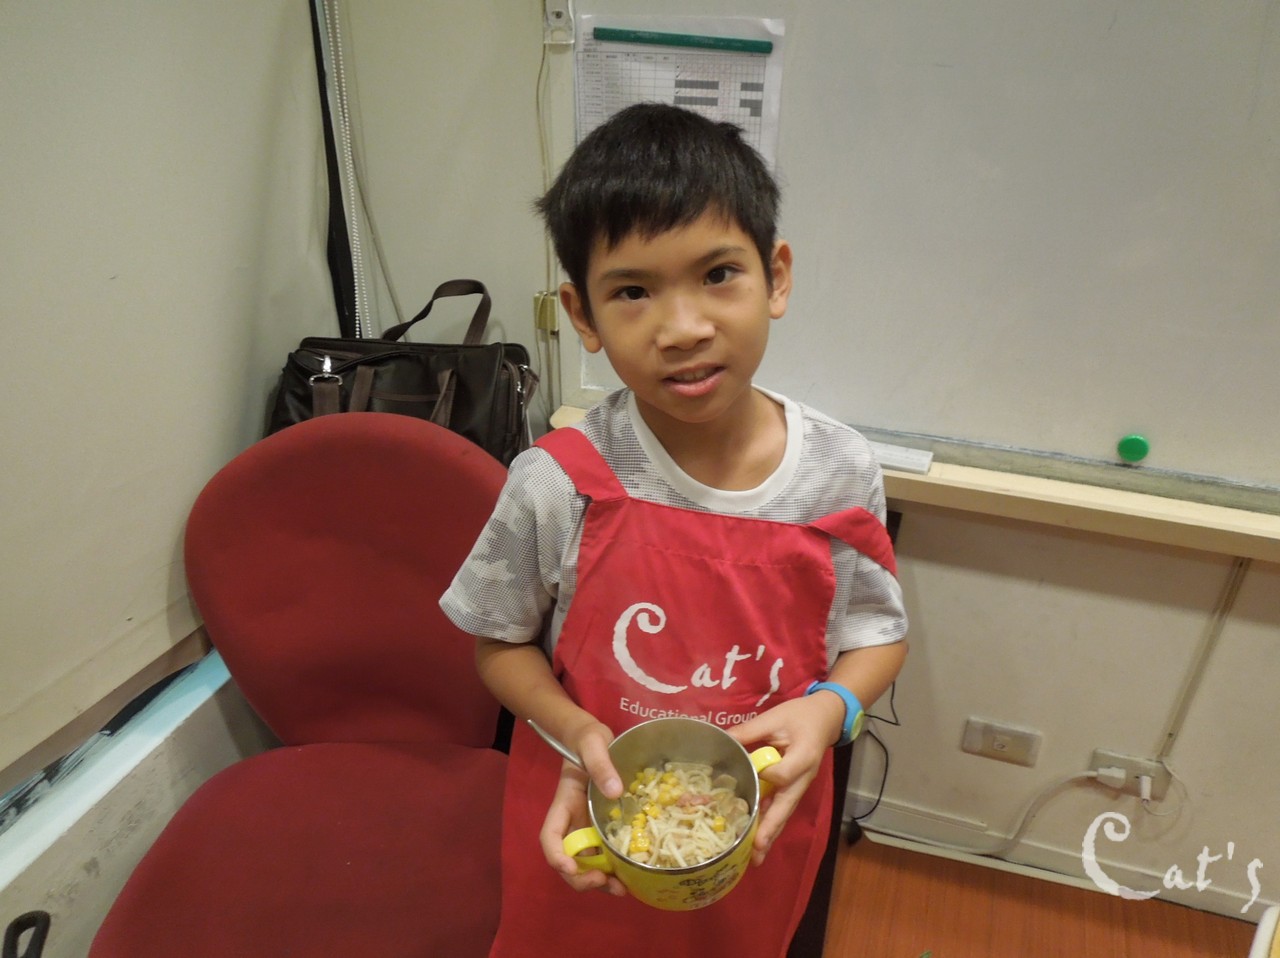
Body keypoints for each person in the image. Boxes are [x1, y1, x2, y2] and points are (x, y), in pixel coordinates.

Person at [441, 103, 908, 958]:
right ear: (583, 316)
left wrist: (833, 709)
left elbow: (877, 636)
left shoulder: (841, 472)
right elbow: (498, 646)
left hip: (755, 823)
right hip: (590, 805)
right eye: (633, 291)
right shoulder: (556, 480)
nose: (684, 327)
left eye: (719, 274)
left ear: (776, 277)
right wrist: (576, 730)